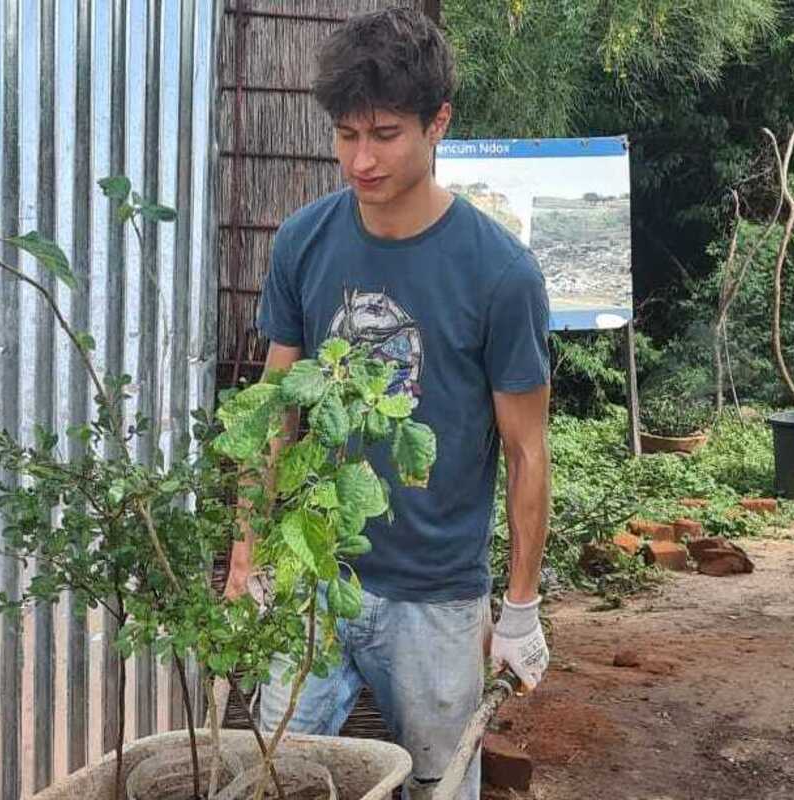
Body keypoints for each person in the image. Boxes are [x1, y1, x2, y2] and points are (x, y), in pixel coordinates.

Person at [223, 7, 553, 799]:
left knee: (438, 785)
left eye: (384, 134)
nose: (360, 160)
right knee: (283, 776)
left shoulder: (500, 274)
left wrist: (518, 609)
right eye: (346, 135)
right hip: (315, 574)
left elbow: (526, 451)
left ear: (438, 122)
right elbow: (276, 409)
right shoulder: (304, 240)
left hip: (437, 600)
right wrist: (248, 554)